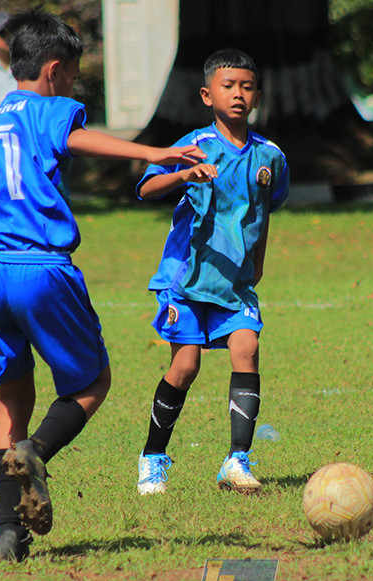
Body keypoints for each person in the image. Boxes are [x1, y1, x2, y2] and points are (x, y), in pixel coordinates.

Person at [0, 9, 204, 563]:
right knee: (93, 381)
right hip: (40, 268)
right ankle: (35, 452)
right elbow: (79, 138)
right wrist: (154, 152)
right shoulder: (48, 111)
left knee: (13, 397)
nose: (72, 88)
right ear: (53, 71)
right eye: (73, 77)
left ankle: (8, 536)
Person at [133, 49, 290, 496]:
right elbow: (146, 187)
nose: (238, 94)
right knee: (185, 365)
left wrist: (257, 263)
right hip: (186, 279)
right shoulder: (193, 146)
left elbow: (264, 209)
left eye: (246, 86)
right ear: (207, 95)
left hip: (236, 282)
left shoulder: (271, 157)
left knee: (247, 345)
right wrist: (184, 175)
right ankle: (153, 459)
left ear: (257, 95)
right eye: (228, 86)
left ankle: (237, 461)